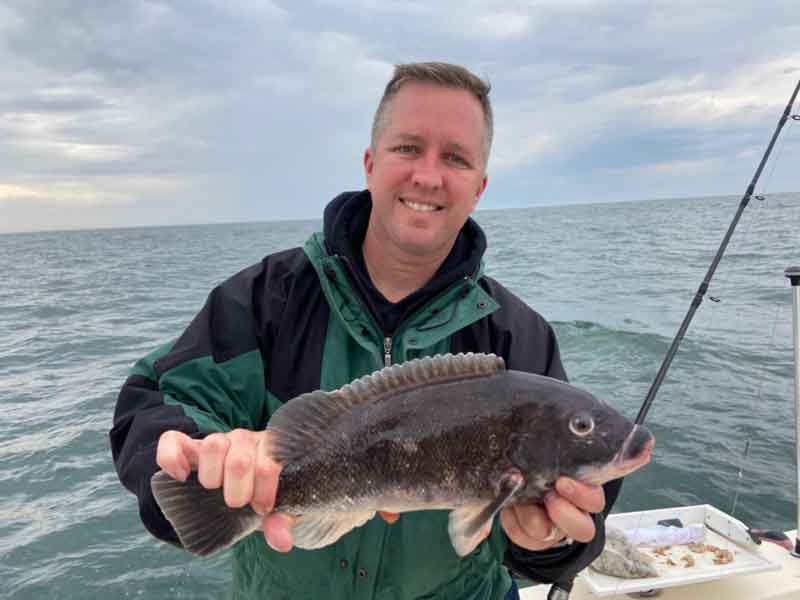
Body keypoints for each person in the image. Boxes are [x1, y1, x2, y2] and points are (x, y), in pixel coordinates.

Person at [110, 62, 621, 600]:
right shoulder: (266, 299)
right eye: (408, 148)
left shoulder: (521, 338)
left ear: (479, 186)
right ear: (370, 163)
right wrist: (200, 456)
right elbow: (154, 400)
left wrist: (552, 540)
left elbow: (568, 536)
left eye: (456, 158)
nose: (428, 175)